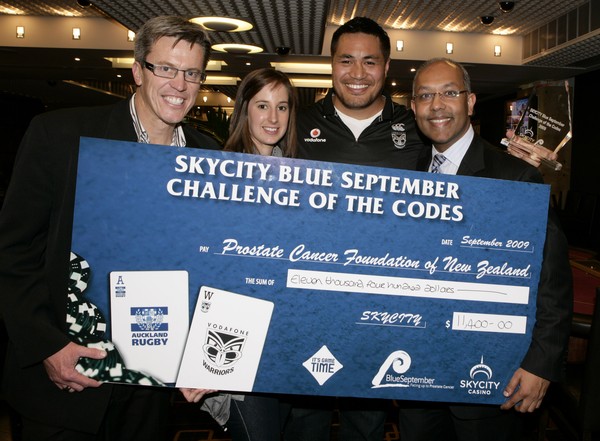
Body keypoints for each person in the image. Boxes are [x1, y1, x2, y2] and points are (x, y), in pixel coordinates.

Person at [0, 15, 220, 441]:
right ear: (138, 71)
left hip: (151, 386)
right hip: (67, 374)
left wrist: (203, 356)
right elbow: (12, 249)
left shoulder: (209, 156)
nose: (180, 84)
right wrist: (47, 345)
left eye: (192, 73)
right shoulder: (61, 134)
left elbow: (207, 263)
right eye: (167, 68)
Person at [397, 57, 573, 441]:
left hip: (492, 376)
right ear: (413, 108)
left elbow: (553, 282)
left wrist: (541, 365)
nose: (437, 105)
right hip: (417, 376)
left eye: (449, 93)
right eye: (425, 95)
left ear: (471, 101)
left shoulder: (515, 176)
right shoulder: (407, 177)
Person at [286, 16, 428, 441]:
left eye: (370, 62)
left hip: (381, 303)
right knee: (302, 415)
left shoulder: (418, 130)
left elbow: (464, 184)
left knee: (366, 420)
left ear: (386, 68)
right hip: (306, 299)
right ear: (331, 64)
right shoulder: (295, 124)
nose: (357, 73)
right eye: (346, 60)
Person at [181, 67, 297, 441]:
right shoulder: (216, 177)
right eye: (263, 105)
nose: (273, 118)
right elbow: (201, 267)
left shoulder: (302, 181)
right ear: (245, 110)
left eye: (282, 107)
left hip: (284, 342)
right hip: (234, 340)